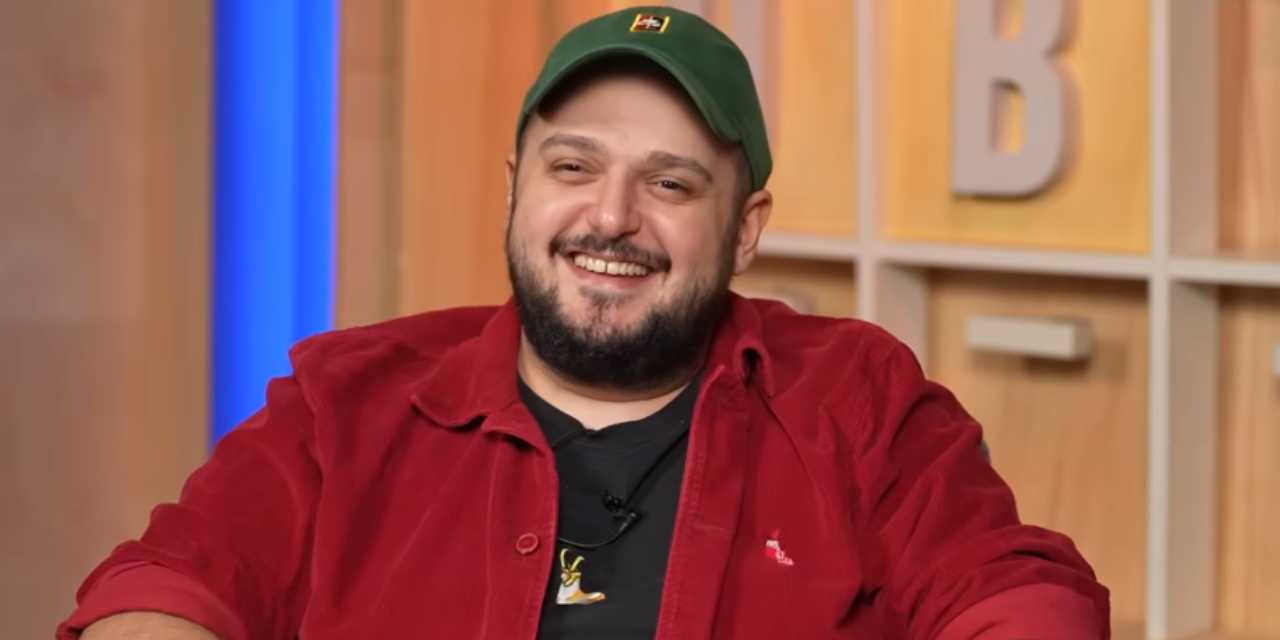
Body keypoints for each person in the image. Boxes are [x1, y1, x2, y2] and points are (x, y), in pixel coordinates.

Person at [61, 6, 1109, 639]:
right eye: (573, 167)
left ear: (744, 231)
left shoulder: (856, 399)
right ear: (515, 188)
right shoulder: (345, 400)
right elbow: (173, 580)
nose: (611, 217)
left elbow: (1010, 589)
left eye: (669, 182)